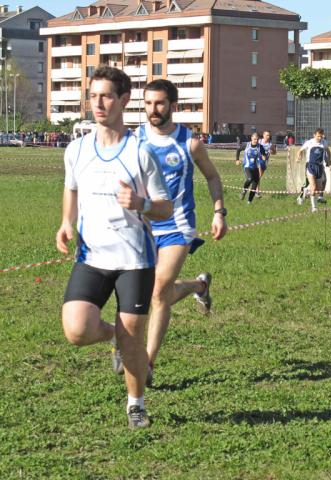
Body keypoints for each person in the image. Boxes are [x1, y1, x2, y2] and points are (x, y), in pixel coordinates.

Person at [55, 66, 172, 429]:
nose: (98, 103)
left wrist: (141, 204)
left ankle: (136, 403)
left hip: (134, 261)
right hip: (91, 256)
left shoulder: (140, 153)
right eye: (93, 95)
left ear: (123, 100)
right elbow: (71, 188)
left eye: (106, 96)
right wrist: (66, 222)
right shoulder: (76, 149)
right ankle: (114, 337)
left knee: (134, 334)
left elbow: (164, 206)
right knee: (76, 330)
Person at [137, 79, 228, 387]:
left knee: (158, 291)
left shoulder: (189, 143)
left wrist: (219, 212)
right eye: (148, 103)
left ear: (173, 105)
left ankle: (147, 363)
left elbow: (213, 178)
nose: (153, 110)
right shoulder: (135, 139)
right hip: (144, 226)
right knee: (149, 293)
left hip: (178, 225)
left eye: (160, 103)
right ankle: (197, 285)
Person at [296, 128, 331, 212]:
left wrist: (329, 161)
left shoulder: (324, 142)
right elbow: (300, 150)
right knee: (313, 187)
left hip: (320, 167)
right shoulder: (309, 142)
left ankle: (306, 190)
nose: (320, 138)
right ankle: (314, 208)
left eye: (321, 136)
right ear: (314, 135)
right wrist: (298, 157)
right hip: (310, 166)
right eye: (318, 136)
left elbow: (328, 151)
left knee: (318, 190)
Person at [237, 132, 266, 203]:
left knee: (254, 186)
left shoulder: (260, 147)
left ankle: (249, 202)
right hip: (247, 166)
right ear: (251, 138)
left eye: (257, 139)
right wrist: (237, 160)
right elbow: (238, 150)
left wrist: (263, 158)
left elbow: (264, 155)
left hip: (255, 168)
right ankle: (244, 191)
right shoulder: (246, 145)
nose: (256, 141)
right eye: (254, 139)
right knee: (249, 179)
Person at [257, 130, 276, 198]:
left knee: (258, 178)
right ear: (263, 135)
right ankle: (257, 192)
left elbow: (274, 152)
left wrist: (272, 151)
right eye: (267, 135)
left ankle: (254, 189)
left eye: (269, 135)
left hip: (265, 162)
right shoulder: (259, 141)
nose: (268, 136)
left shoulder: (270, 144)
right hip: (258, 160)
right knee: (258, 176)